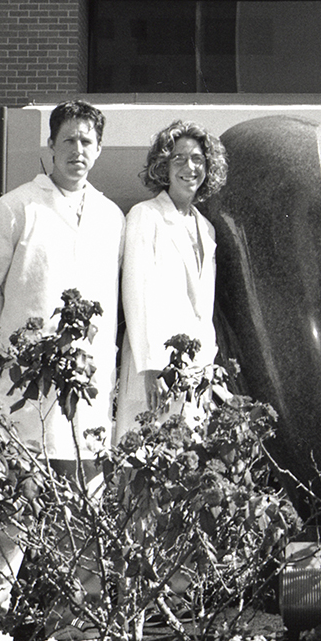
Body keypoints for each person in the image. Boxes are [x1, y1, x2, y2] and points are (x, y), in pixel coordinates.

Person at [0, 99, 125, 622]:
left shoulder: (111, 217)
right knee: (5, 511)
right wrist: (10, 348)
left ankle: (75, 632)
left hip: (84, 401)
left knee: (82, 519)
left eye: (87, 141)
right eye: (68, 139)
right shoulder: (16, 208)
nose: (78, 150)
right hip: (21, 395)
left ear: (99, 150)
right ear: (50, 146)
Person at [115, 120, 227, 438]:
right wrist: (151, 365)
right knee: (147, 455)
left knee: (186, 458)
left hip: (195, 373)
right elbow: (136, 293)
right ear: (164, 165)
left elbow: (202, 309)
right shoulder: (145, 215)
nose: (189, 167)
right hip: (155, 371)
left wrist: (207, 366)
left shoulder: (206, 229)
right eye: (179, 158)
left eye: (198, 159)